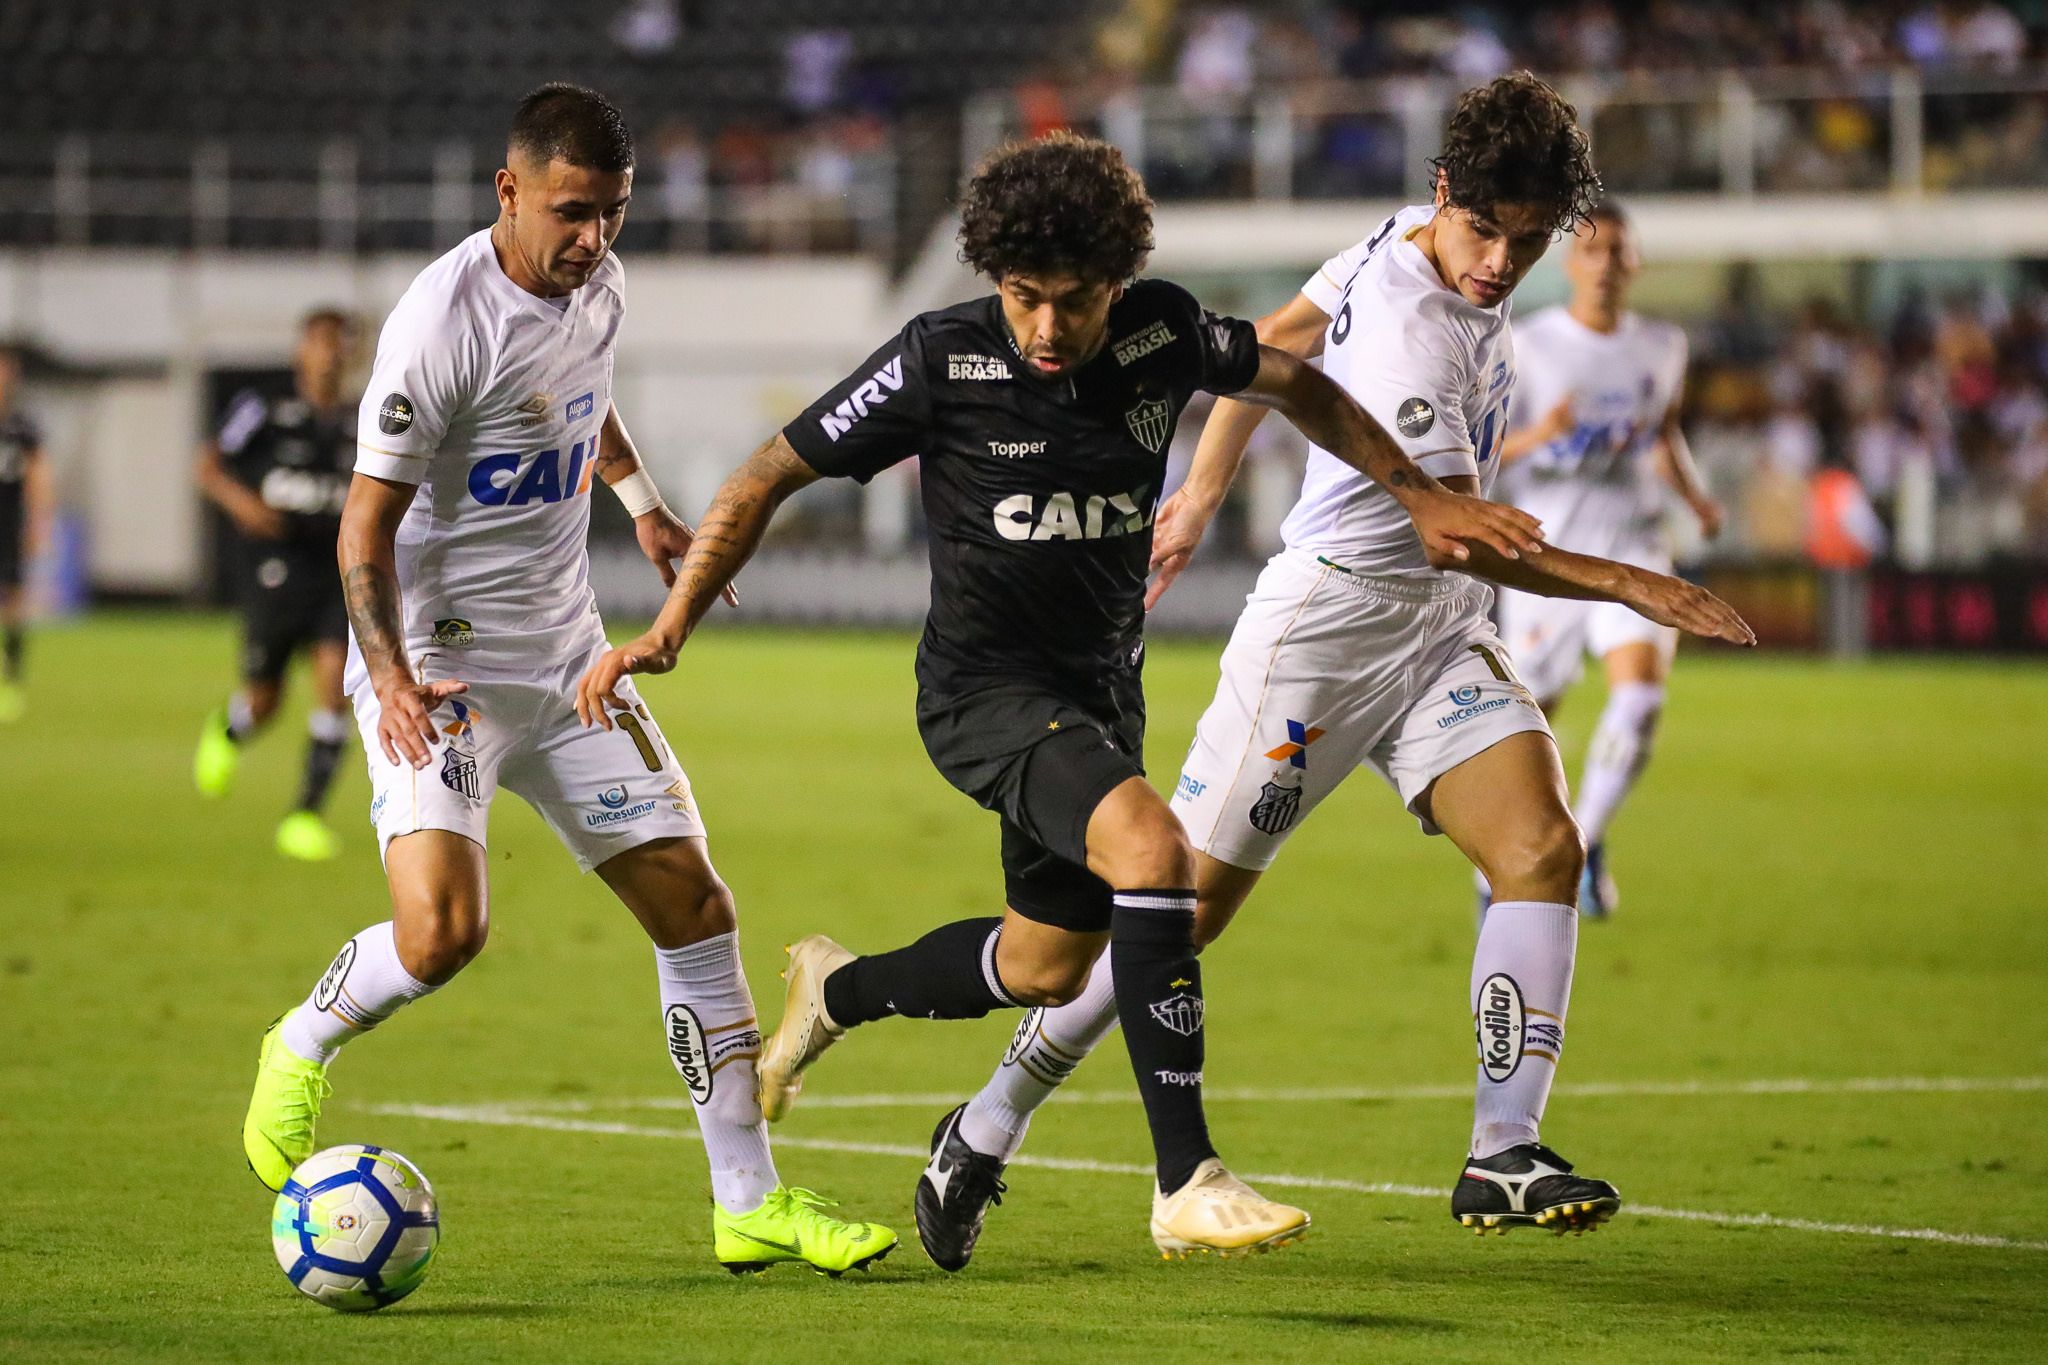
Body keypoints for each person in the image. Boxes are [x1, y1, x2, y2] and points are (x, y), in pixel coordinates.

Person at [573, 130, 1546, 1264]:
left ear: (1117, 285)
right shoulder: (938, 359)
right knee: (1154, 856)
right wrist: (672, 622)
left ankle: (838, 991)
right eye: (1022, 298)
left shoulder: (1160, 330)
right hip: (982, 695)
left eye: (1070, 302)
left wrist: (1415, 496)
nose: (1043, 328)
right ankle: (1185, 1177)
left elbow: (1295, 386)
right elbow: (763, 474)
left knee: (1045, 966)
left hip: (1096, 696)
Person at [938, 74, 1757, 1267]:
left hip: (1434, 636)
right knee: (1181, 916)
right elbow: (1454, 527)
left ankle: (1500, 1153)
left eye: (1526, 242)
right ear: (1444, 196)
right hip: (1323, 637)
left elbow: (1271, 344)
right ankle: (982, 1125)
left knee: (1541, 848)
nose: (1499, 263)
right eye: (1484, 232)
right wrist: (1633, 581)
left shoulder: (1395, 246)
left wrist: (1202, 487)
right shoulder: (1418, 330)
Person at [240, 83, 895, 1277]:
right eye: (572, 211)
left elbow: (583, 404)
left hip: (568, 656)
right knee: (442, 935)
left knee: (696, 911)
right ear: (510, 191)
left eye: (613, 213)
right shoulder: (439, 324)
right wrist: (386, 680)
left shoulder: (599, 283)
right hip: (441, 667)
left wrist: (643, 509)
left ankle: (747, 1203)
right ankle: (299, 1041)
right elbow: (359, 531)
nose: (593, 238)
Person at [1490, 202, 1725, 918]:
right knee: (1530, 729)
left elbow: (1663, 432)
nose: (1608, 264)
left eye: (1621, 251)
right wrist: (1542, 434)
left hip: (1636, 542)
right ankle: (1499, 869)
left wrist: (1697, 497)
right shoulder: (1527, 345)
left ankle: (1582, 846)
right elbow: (1484, 450)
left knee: (1641, 696)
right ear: (1570, 264)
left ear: (1637, 263)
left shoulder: (1663, 344)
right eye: (1594, 252)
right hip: (1548, 556)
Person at [192, 309, 360, 859]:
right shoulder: (261, 409)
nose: (331, 354)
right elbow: (209, 466)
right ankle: (230, 729)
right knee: (266, 700)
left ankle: (304, 815)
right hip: (276, 568)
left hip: (339, 571)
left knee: (335, 686)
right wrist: (243, 503)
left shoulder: (368, 417)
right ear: (301, 351)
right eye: (321, 343)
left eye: (340, 345)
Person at [0, 344, 49, 723]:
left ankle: (11, 680)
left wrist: (39, 521)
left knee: (14, 600)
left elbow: (38, 476)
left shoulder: (22, 426)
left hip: (9, 522)